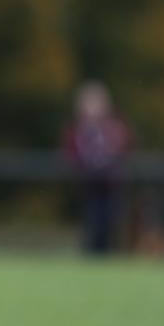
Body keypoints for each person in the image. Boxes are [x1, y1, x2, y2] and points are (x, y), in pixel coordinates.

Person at [63, 81, 133, 255]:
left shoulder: (114, 127)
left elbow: (122, 148)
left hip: (110, 183)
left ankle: (107, 254)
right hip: (89, 183)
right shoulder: (78, 129)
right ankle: (91, 254)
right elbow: (72, 153)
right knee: (92, 220)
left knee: (110, 221)